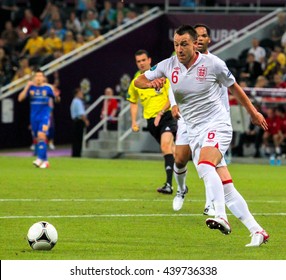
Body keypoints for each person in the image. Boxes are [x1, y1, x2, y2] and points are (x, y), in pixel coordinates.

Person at [134, 25, 269, 247]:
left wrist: (253, 113)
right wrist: (150, 83)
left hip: (217, 124)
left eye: (184, 44)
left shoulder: (213, 64)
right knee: (226, 187)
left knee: (205, 166)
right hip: (195, 131)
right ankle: (257, 231)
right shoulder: (169, 65)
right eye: (176, 44)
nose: (179, 49)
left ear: (195, 43)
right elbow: (139, 80)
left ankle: (220, 216)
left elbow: (235, 88)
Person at [127, 49, 177, 194]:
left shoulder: (161, 75)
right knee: (172, 152)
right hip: (151, 121)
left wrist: (161, 112)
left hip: (166, 116)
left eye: (143, 60)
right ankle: (182, 181)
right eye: (138, 61)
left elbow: (171, 95)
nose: (141, 63)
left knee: (165, 147)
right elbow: (133, 101)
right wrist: (134, 121)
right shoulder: (136, 82)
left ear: (149, 60)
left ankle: (169, 185)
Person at [18, 70, 60, 168]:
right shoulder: (31, 88)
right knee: (38, 138)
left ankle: (39, 158)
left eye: (40, 76)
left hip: (44, 116)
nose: (38, 78)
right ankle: (45, 161)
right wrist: (27, 87)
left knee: (41, 135)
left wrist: (57, 96)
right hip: (33, 117)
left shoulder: (48, 87)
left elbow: (57, 99)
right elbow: (20, 99)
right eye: (37, 76)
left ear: (43, 78)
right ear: (34, 78)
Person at [70, 87, 90, 157]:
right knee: (78, 139)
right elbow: (81, 113)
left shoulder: (74, 101)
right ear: (77, 94)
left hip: (75, 121)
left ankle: (75, 154)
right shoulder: (77, 102)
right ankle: (77, 154)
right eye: (80, 93)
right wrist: (86, 120)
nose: (82, 94)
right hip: (78, 122)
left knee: (76, 139)